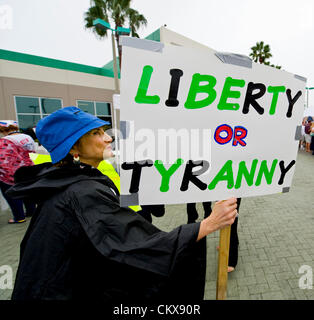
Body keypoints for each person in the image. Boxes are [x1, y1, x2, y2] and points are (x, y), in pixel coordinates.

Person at [7, 106, 238, 301]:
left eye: (104, 131)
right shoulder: (81, 192)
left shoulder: (71, 181)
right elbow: (135, 246)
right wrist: (207, 225)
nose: (109, 137)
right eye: (97, 133)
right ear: (74, 148)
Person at [187, 199, 242, 272]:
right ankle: (227, 245)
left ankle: (232, 261)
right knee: (225, 221)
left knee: (231, 222)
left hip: (232, 193)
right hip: (224, 194)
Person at [0, 120, 36, 223]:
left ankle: (19, 217)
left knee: (12, 194)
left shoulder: (5, 140)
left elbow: (3, 161)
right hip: (28, 170)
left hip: (12, 174)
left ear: (3, 130)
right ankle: (31, 211)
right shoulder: (27, 137)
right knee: (27, 191)